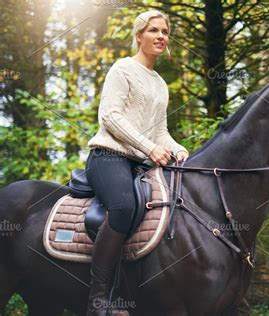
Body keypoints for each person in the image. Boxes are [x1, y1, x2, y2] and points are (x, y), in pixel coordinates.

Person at [85, 10, 189, 315]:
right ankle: (98, 300)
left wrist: (178, 149)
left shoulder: (160, 84)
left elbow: (160, 132)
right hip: (108, 157)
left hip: (138, 163)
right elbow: (110, 116)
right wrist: (148, 147)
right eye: (153, 30)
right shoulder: (123, 69)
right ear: (139, 35)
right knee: (124, 207)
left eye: (165, 32)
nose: (160, 36)